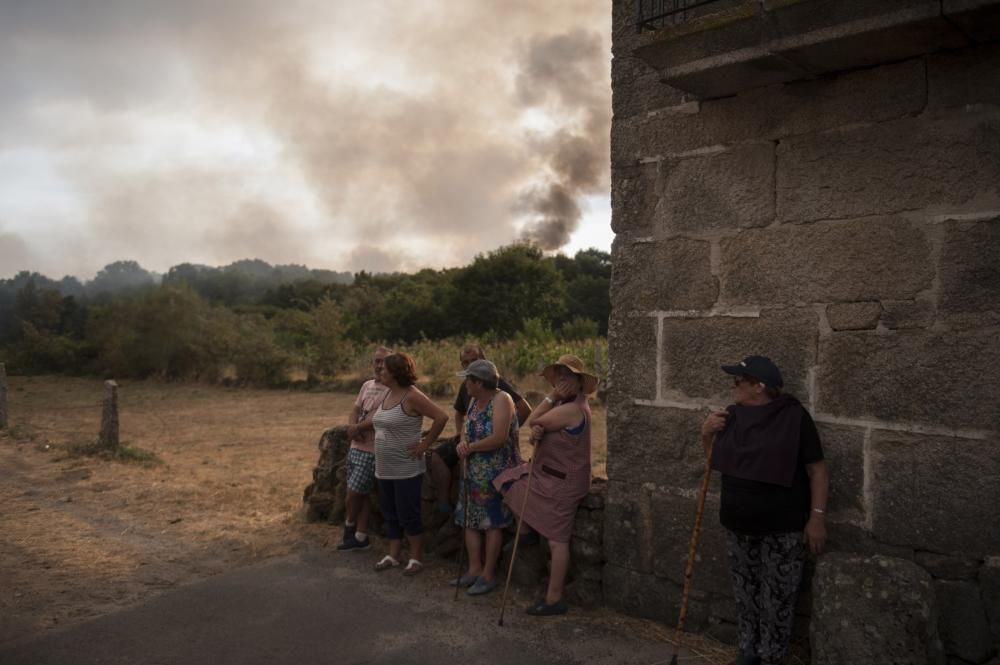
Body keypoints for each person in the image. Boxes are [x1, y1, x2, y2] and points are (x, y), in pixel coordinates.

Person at [700, 355, 829, 665]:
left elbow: (818, 472)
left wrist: (816, 519)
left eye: (738, 381)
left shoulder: (795, 418)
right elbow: (716, 463)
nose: (733, 386)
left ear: (759, 387)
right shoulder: (731, 416)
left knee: (778, 597)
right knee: (745, 593)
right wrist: (706, 433)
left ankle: (771, 656)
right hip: (737, 522)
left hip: (781, 526)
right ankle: (747, 651)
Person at [494, 354, 597, 616]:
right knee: (510, 481)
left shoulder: (572, 408)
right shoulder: (568, 405)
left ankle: (554, 599)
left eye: (567, 377)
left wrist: (547, 404)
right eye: (558, 377)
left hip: (563, 483)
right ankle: (527, 530)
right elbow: (539, 430)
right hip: (551, 475)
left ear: (579, 382)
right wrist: (539, 434)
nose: (561, 382)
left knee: (556, 540)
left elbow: (532, 420)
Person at [429, 343, 531, 514]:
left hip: (490, 443)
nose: (469, 365)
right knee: (437, 457)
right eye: (465, 362)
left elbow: (525, 409)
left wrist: (504, 431)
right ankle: (444, 506)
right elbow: (458, 413)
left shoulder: (496, 385)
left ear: (483, 360)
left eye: (473, 360)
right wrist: (462, 434)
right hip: (469, 437)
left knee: (470, 464)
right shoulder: (467, 385)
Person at [372, 352, 448, 576]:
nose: (380, 371)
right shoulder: (388, 393)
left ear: (395, 372)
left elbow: (441, 417)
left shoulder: (412, 396)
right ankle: (393, 555)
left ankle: (416, 558)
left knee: (408, 514)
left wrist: (425, 445)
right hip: (384, 468)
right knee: (391, 513)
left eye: (384, 368)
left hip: (405, 468)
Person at [451, 359, 520, 596]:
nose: (465, 384)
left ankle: (488, 575)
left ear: (478, 382)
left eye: (468, 380)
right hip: (472, 472)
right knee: (469, 519)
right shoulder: (472, 402)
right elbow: (466, 432)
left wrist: (470, 448)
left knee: (492, 523)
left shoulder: (502, 400)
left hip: (495, 473)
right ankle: (473, 569)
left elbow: (499, 437)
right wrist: (462, 443)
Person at [337, 346, 391, 552]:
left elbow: (379, 418)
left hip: (372, 448)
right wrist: (352, 427)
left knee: (354, 492)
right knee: (363, 493)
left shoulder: (392, 390)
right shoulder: (367, 385)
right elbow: (356, 409)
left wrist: (357, 428)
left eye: (383, 362)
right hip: (356, 444)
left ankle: (349, 526)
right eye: (376, 361)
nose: (379, 366)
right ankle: (361, 537)